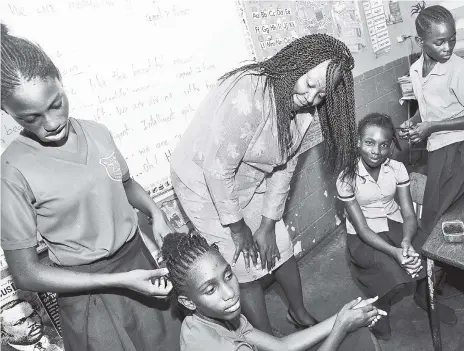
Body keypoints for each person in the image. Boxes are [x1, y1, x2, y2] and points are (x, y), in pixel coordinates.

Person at [0, 24, 176, 350]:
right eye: (30, 118)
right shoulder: (12, 172)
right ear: (7, 112)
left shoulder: (97, 132)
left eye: (56, 104)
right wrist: (118, 281)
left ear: (61, 83)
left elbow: (123, 184)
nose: (51, 124)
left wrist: (155, 212)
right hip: (88, 291)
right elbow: (25, 273)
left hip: (138, 264)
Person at [170, 33, 358, 333]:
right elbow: (217, 171)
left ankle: (299, 314)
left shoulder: (307, 111)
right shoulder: (249, 94)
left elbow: (285, 167)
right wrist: (238, 227)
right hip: (202, 182)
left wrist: (268, 224)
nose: (311, 98)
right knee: (240, 265)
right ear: (295, 64)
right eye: (309, 84)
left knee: (279, 242)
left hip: (247, 176)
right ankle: (266, 338)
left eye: (322, 95)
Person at [336, 113, 456, 340]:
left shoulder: (397, 168)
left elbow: (409, 213)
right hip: (364, 237)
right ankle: (378, 312)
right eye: (369, 143)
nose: (375, 151)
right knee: (393, 279)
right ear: (358, 143)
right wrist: (396, 252)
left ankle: (424, 296)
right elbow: (361, 229)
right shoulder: (346, 177)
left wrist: (406, 241)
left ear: (391, 147)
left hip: (396, 226)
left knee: (436, 259)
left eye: (383, 145)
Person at [161, 231, 386, 351]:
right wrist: (342, 326)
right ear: (188, 302)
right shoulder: (222, 347)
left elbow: (281, 346)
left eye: (228, 276)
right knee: (355, 340)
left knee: (355, 335)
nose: (229, 293)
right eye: (210, 289)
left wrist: (343, 315)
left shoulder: (206, 318)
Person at [399, 3, 463, 324]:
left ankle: (427, 292)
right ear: (420, 41)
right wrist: (415, 122)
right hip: (438, 152)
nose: (448, 46)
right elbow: (428, 109)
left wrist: (432, 127)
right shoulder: (415, 68)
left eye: (451, 38)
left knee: (435, 222)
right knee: (435, 221)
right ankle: (426, 290)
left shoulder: (457, 68)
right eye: (439, 42)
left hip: (457, 151)